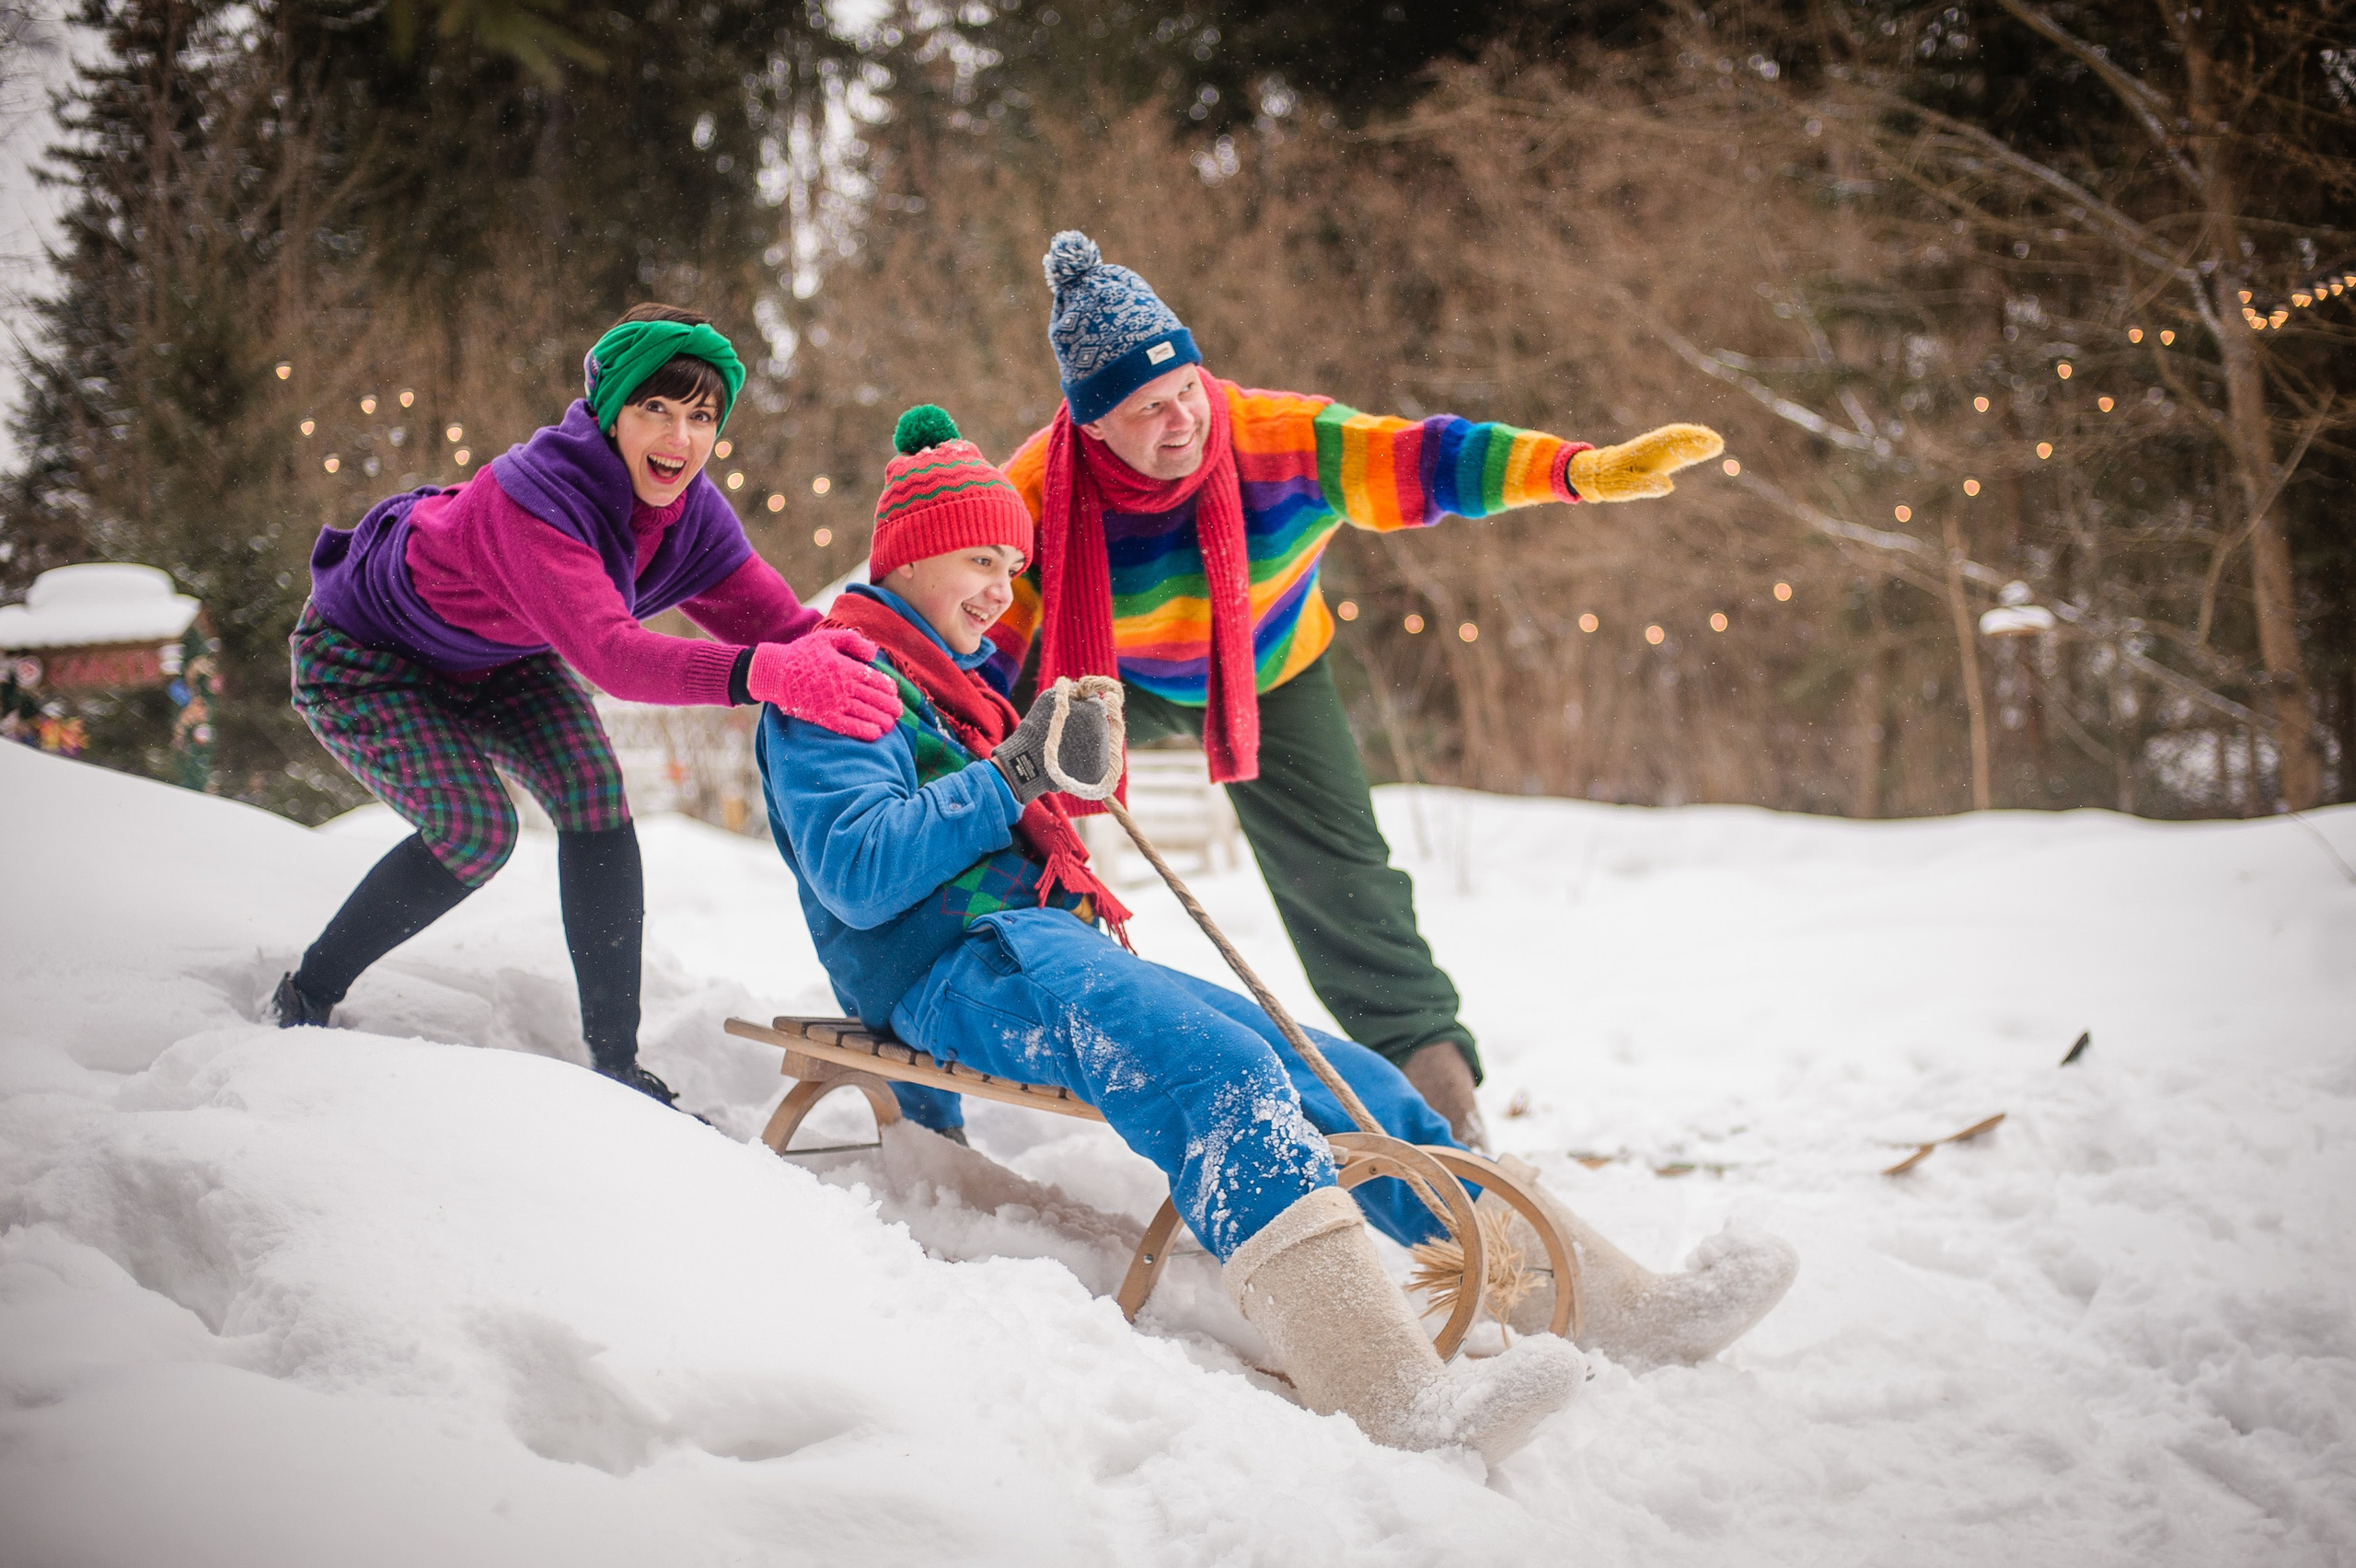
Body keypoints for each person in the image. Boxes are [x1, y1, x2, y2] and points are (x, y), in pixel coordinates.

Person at [754, 406, 1795, 1459]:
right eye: (983, 558)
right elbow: (857, 869)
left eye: (1010, 563)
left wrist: (1048, 773)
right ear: (917, 553)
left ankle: (1617, 1304)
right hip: (953, 967)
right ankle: (1396, 1399)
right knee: (1219, 1069)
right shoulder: (839, 680)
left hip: (1037, 944)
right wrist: (1017, 772)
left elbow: (988, 814)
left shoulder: (951, 680)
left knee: (1337, 1070)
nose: (999, 587)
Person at [985, 233, 1725, 1147]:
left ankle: (1440, 1104)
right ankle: (1000, 1006)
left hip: (1268, 665)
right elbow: (965, 627)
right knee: (1003, 800)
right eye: (1147, 409)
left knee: (1346, 881)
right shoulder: (1031, 495)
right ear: (1090, 424)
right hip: (1101, 674)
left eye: (1187, 390)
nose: (1183, 420)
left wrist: (1576, 471)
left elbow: (1428, 460)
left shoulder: (1276, 438)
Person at [278, 305, 901, 1107]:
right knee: (474, 830)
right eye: (657, 409)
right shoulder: (534, 500)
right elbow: (614, 657)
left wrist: (893, 670)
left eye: (702, 416)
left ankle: (617, 1065)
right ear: (612, 412)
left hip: (500, 660)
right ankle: (305, 997)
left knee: (596, 800)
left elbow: (783, 627)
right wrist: (766, 675)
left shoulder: (691, 514)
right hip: (368, 659)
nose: (680, 440)